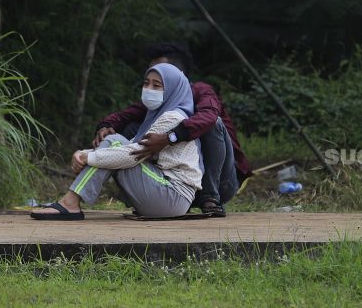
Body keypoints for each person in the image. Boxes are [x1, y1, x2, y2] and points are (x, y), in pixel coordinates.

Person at [93, 43, 251, 217]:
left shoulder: (201, 91)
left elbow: (209, 117)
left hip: (222, 182)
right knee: (131, 128)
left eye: (160, 72)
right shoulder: (160, 100)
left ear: (175, 74)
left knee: (213, 123)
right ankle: (147, 192)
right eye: (150, 73)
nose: (152, 77)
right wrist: (106, 126)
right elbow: (126, 114)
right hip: (179, 184)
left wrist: (170, 137)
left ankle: (210, 198)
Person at [30, 63, 202, 220]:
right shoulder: (157, 115)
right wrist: (84, 154)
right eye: (146, 83)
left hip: (172, 195)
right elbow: (132, 149)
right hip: (165, 195)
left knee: (114, 142)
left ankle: (70, 203)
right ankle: (70, 203)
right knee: (115, 146)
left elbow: (131, 154)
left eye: (156, 86)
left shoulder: (173, 117)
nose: (149, 89)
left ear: (173, 89)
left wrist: (87, 157)